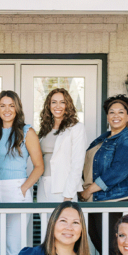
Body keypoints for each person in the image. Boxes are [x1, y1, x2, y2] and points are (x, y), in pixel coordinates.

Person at [83, 95, 128, 255]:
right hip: (101, 198)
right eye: (112, 112)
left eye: (121, 112)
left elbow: (118, 171)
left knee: (115, 247)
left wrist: (89, 190)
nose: (116, 115)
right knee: (100, 242)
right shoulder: (104, 138)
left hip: (124, 198)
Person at [0, 91, 44, 255]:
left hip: (17, 189)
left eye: (11, 105)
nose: (7, 109)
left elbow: (39, 166)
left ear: (17, 108)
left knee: (14, 247)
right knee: (0, 246)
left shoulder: (27, 131)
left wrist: (24, 188)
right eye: (2, 105)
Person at [35, 88, 87, 232]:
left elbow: (78, 163)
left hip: (63, 187)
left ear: (68, 105)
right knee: (47, 231)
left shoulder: (76, 128)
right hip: (43, 186)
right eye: (54, 102)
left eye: (62, 102)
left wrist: (68, 196)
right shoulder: (45, 130)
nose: (57, 106)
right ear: (48, 105)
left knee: (63, 230)